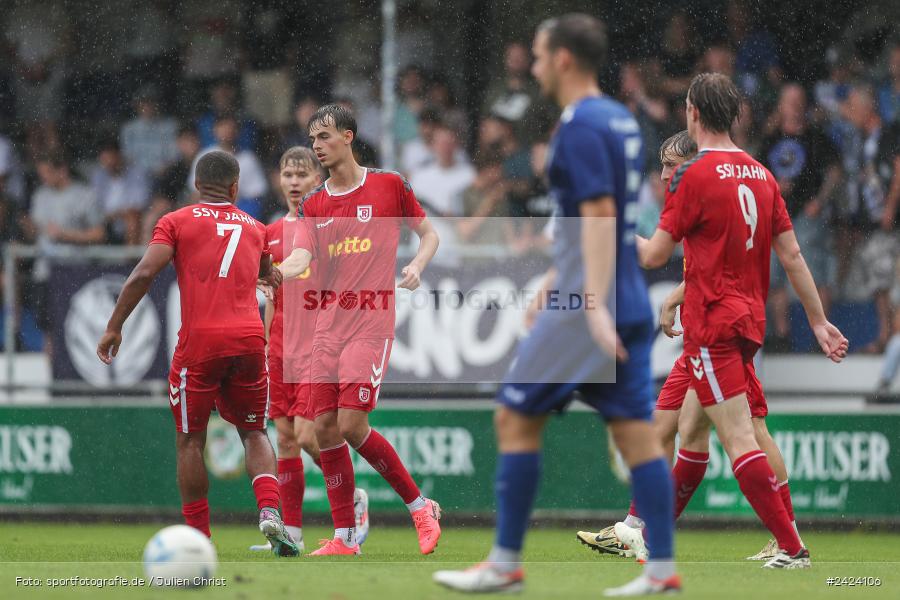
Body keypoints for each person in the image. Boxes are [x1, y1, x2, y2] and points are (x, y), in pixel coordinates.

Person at [433, 14, 679, 596]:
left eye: (540, 56)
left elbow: (596, 214)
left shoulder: (578, 125)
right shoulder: (621, 119)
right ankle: (663, 572)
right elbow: (601, 222)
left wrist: (585, 301)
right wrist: (556, 276)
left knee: (515, 417)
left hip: (586, 306)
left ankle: (504, 563)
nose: (535, 66)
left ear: (564, 58)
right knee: (639, 438)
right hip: (620, 296)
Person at [637, 73, 848, 569]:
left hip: (713, 322)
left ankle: (792, 548)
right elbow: (792, 255)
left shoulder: (694, 176)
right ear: (732, 114)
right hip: (749, 321)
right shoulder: (761, 172)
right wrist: (818, 321)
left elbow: (654, 255)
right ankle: (651, 533)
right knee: (705, 428)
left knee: (737, 438)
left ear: (692, 113)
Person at [576, 131, 805, 563]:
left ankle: (787, 537)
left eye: (669, 164)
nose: (662, 174)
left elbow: (667, 258)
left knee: (747, 431)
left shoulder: (701, 189)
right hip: (711, 327)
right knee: (673, 428)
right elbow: (706, 265)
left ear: (692, 161)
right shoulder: (726, 186)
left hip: (719, 329)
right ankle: (637, 530)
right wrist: (673, 298)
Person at [95, 151, 298, 557]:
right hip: (248, 341)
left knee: (190, 440)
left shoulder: (176, 221)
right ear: (236, 188)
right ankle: (270, 513)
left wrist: (114, 325)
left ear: (195, 186)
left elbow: (144, 273)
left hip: (201, 344)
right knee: (254, 431)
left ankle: (199, 538)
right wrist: (269, 272)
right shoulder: (256, 227)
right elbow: (265, 271)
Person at [277, 104, 441, 557]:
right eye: (312, 139)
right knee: (322, 429)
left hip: (370, 323)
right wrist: (276, 271)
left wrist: (416, 265)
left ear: (348, 137)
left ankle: (420, 506)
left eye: (324, 136)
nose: (317, 146)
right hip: (327, 327)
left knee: (351, 424)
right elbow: (301, 259)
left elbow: (429, 234)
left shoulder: (388, 185)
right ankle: (346, 538)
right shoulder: (314, 204)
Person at [249, 146, 370, 553]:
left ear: (318, 180)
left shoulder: (328, 225)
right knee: (283, 439)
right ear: (279, 180)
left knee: (306, 433)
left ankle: (352, 501)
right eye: (288, 174)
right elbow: (270, 299)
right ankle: (292, 535)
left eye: (303, 174)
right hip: (281, 344)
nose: (295, 182)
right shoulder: (269, 234)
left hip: (317, 342)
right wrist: (265, 346)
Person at [759, 84, 842, 350]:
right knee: (774, 276)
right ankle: (782, 336)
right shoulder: (770, 139)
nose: (794, 106)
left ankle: (824, 336)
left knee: (814, 272)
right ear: (781, 106)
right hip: (776, 216)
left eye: (798, 101)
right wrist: (773, 187)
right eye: (789, 101)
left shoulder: (817, 137)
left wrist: (820, 201)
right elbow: (755, 174)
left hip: (807, 216)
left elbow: (835, 172)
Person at [189, 114, 269, 219]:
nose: (227, 131)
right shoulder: (204, 156)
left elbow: (257, 195)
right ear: (215, 130)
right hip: (208, 213)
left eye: (231, 127)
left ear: (237, 131)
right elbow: (195, 193)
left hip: (240, 215)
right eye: (223, 127)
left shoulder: (248, 158)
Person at [90, 138, 151, 245]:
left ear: (118, 156)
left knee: (132, 219)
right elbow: (95, 205)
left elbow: (139, 205)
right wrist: (109, 216)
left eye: (110, 158)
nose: (107, 163)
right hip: (105, 220)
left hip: (129, 220)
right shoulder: (98, 176)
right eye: (104, 160)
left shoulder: (137, 173)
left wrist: (117, 214)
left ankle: (130, 259)